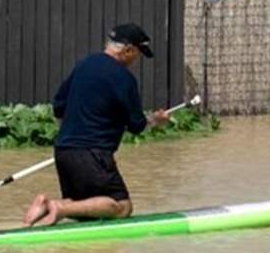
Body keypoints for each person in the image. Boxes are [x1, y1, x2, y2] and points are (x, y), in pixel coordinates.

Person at [24, 23, 171, 227]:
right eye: (138, 53)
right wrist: (156, 121)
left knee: (86, 208)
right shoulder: (124, 78)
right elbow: (136, 125)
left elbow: (58, 106)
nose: (137, 60)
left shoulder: (84, 64)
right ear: (128, 50)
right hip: (93, 153)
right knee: (122, 206)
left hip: (63, 150)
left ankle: (46, 207)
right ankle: (59, 208)